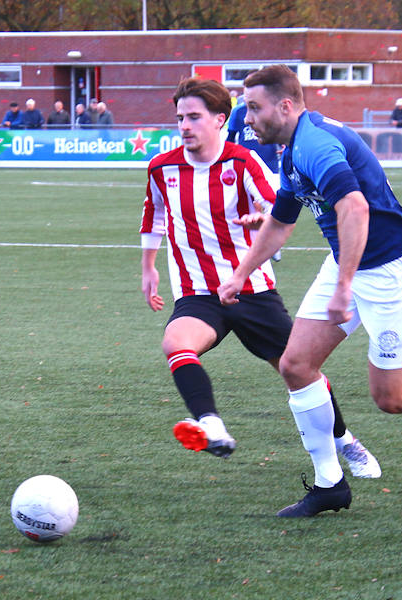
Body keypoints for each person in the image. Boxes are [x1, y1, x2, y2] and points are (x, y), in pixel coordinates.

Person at [218, 65, 402, 518]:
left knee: (392, 398)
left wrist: (344, 286)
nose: (248, 117)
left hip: (390, 270)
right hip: (348, 262)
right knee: (295, 365)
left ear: (286, 106)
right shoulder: (292, 150)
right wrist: (240, 274)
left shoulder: (314, 145)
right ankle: (329, 485)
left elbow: (354, 208)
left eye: (255, 108)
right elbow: (280, 221)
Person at [140, 76, 381, 480]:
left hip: (253, 291)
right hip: (198, 292)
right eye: (180, 118)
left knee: (298, 370)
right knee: (176, 344)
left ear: (219, 119)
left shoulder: (242, 162)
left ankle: (345, 441)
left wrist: (262, 217)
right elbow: (155, 215)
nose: (184, 126)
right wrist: (148, 267)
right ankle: (211, 425)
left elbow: (278, 206)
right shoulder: (162, 167)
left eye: (194, 117)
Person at [227, 89, 282, 262]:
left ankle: (273, 244)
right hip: (246, 165)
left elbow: (280, 131)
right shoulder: (238, 112)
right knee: (252, 205)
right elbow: (231, 136)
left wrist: (284, 145)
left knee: (273, 204)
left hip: (269, 162)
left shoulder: (269, 109)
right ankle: (256, 244)